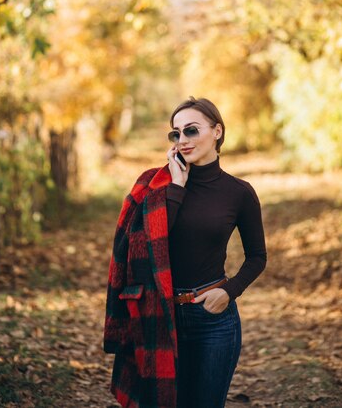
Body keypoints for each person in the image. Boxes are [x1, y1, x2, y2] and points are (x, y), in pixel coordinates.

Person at [103, 96, 267, 408]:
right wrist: (177, 187)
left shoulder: (239, 193)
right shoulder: (155, 186)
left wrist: (230, 291)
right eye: (175, 134)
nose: (182, 141)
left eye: (191, 131)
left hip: (213, 320)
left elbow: (258, 256)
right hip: (158, 315)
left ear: (216, 131)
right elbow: (150, 243)